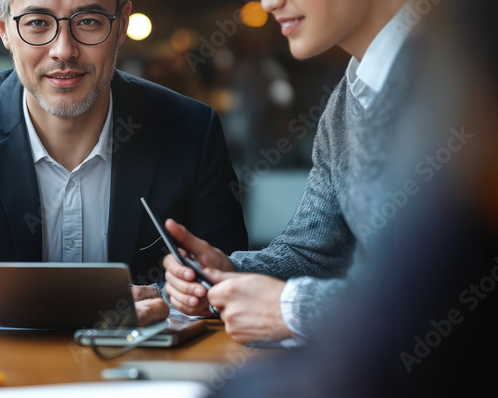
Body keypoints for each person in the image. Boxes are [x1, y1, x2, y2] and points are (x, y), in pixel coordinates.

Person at [0, 0, 247, 327]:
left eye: (88, 21)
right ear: (3, 28)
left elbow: (231, 273)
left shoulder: (190, 129)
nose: (63, 50)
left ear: (122, 24)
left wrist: (183, 299)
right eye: (37, 23)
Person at [163, 0, 435, 344]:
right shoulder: (347, 102)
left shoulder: (465, 80)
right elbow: (313, 252)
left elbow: (441, 292)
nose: (269, 3)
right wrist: (224, 276)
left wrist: (291, 309)